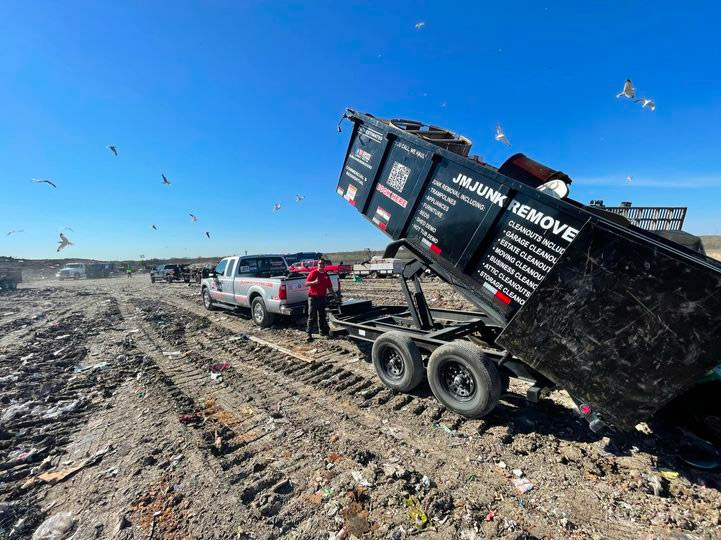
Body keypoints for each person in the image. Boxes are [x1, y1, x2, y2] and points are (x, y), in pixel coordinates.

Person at [305, 259, 335, 342]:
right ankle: (309, 334)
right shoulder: (313, 273)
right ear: (317, 265)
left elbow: (329, 287)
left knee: (322, 316)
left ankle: (322, 331)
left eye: (322, 263)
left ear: (324, 265)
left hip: (322, 298)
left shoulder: (326, 275)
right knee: (312, 316)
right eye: (319, 263)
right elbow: (306, 283)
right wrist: (314, 282)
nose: (321, 265)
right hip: (313, 298)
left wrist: (335, 296)